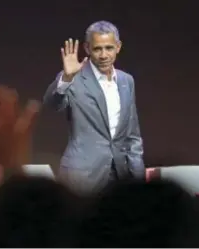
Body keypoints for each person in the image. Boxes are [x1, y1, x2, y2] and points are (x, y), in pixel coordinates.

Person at [44, 20, 145, 195]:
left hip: (120, 176)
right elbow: (52, 105)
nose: (104, 55)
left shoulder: (126, 81)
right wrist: (66, 79)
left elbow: (132, 133)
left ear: (118, 47)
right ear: (88, 48)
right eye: (98, 49)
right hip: (83, 176)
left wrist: (138, 176)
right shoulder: (74, 77)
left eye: (109, 48)